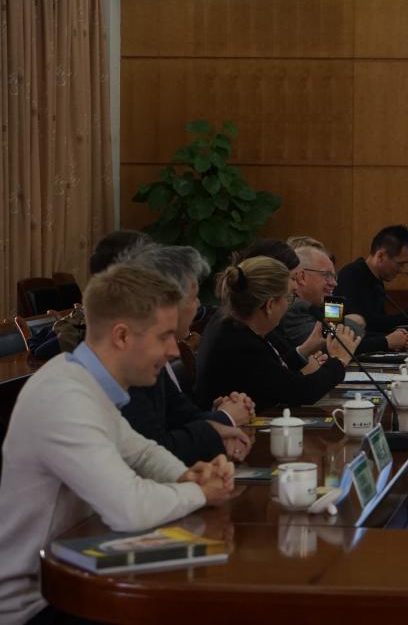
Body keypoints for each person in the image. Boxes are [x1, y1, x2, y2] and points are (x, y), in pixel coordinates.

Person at [0, 264, 235, 624]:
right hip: (37, 604)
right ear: (122, 336)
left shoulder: (84, 379)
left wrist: (186, 475)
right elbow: (130, 510)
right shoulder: (64, 396)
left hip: (76, 579)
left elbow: (140, 450)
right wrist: (201, 493)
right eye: (164, 336)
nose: (175, 350)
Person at [119, 244, 255, 466]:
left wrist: (221, 423)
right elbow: (157, 450)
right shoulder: (129, 365)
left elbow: (183, 416)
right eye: (194, 297)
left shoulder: (148, 356)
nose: (199, 304)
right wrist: (224, 421)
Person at [194, 256, 361, 412]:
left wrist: (305, 349)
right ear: (270, 305)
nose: (288, 305)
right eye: (288, 298)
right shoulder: (238, 341)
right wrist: (339, 360)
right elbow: (300, 391)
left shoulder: (233, 324)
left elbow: (272, 374)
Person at [280, 242, 408, 354]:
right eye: (327, 275)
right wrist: (386, 341)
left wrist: (389, 337)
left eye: (334, 276)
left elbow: (357, 333)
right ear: (302, 277)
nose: (334, 283)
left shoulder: (323, 304)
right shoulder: (295, 308)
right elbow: (334, 345)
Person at [333, 225, 408, 333]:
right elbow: (364, 324)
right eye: (400, 264)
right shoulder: (351, 275)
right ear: (380, 256)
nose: (401, 270)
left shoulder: (377, 280)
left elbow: (381, 323)